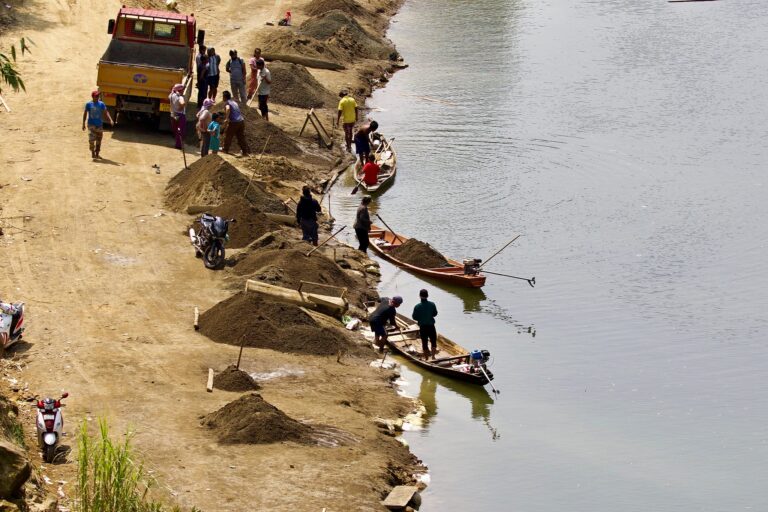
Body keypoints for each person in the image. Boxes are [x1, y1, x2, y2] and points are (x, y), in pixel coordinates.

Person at [82, 90, 114, 159]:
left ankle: (97, 154)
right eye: (96, 96)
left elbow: (106, 112)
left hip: (99, 125)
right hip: (91, 125)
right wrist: (83, 124)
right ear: (93, 97)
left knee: (99, 140)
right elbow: (85, 114)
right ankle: (92, 152)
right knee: (91, 140)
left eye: (98, 96)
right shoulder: (88, 104)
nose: (97, 97)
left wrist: (110, 120)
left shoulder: (101, 104)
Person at [412, 289, 438, 359]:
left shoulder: (417, 306)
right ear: (428, 296)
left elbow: (414, 317)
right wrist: (429, 315)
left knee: (424, 342)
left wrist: (421, 318)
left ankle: (426, 358)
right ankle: (433, 357)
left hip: (423, 327)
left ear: (420, 296)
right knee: (433, 341)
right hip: (431, 326)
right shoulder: (432, 304)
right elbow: (435, 313)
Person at [221, 90, 249, 155]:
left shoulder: (227, 103)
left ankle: (225, 149)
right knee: (241, 137)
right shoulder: (234, 102)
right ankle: (244, 152)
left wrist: (226, 118)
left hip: (234, 122)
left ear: (224, 97)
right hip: (241, 121)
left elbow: (228, 109)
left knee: (228, 135)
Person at [169, 83, 186, 149]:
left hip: (173, 114)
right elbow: (183, 103)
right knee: (181, 130)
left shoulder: (171, 95)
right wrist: (181, 108)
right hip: (180, 115)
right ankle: (179, 145)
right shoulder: (180, 97)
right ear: (180, 90)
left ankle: (177, 143)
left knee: (176, 130)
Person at [195, 44, 208, 109]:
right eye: (204, 50)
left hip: (201, 78)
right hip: (202, 80)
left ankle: (200, 104)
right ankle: (202, 105)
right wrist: (201, 81)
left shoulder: (201, 57)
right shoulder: (199, 58)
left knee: (201, 92)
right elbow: (201, 75)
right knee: (203, 92)